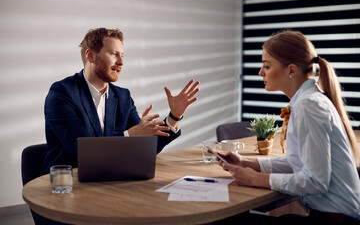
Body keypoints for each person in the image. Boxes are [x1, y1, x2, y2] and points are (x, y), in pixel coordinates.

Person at [215, 30, 360, 224]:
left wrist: (255, 179)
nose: (260, 72)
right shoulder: (308, 101)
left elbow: (316, 182)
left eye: (266, 66)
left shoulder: (308, 106)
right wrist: (248, 162)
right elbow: (300, 162)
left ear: (291, 70)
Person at [42, 28, 200, 174]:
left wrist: (174, 117)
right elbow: (82, 151)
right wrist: (130, 134)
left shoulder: (123, 97)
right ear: (90, 56)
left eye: (122, 55)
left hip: (111, 180)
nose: (121, 62)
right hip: (67, 185)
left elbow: (143, 147)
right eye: (113, 54)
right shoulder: (62, 94)